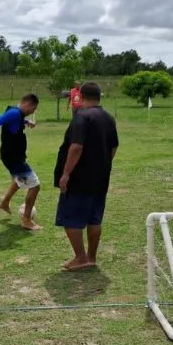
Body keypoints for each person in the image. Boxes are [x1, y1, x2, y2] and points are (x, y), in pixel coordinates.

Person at [54, 82, 119, 271]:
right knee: (94, 219)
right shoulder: (108, 118)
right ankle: (91, 257)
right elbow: (114, 147)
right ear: (99, 97)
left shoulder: (81, 117)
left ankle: (80, 257)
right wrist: (103, 164)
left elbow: (76, 147)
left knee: (71, 219)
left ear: (80, 96)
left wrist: (66, 174)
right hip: (100, 177)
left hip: (79, 178)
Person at [0, 94, 42, 231]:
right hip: (13, 158)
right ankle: (27, 220)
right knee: (35, 186)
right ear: (29, 105)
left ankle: (4, 202)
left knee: (18, 179)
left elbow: (16, 122)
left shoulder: (18, 114)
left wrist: (27, 123)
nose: (33, 112)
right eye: (33, 109)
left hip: (14, 157)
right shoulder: (15, 113)